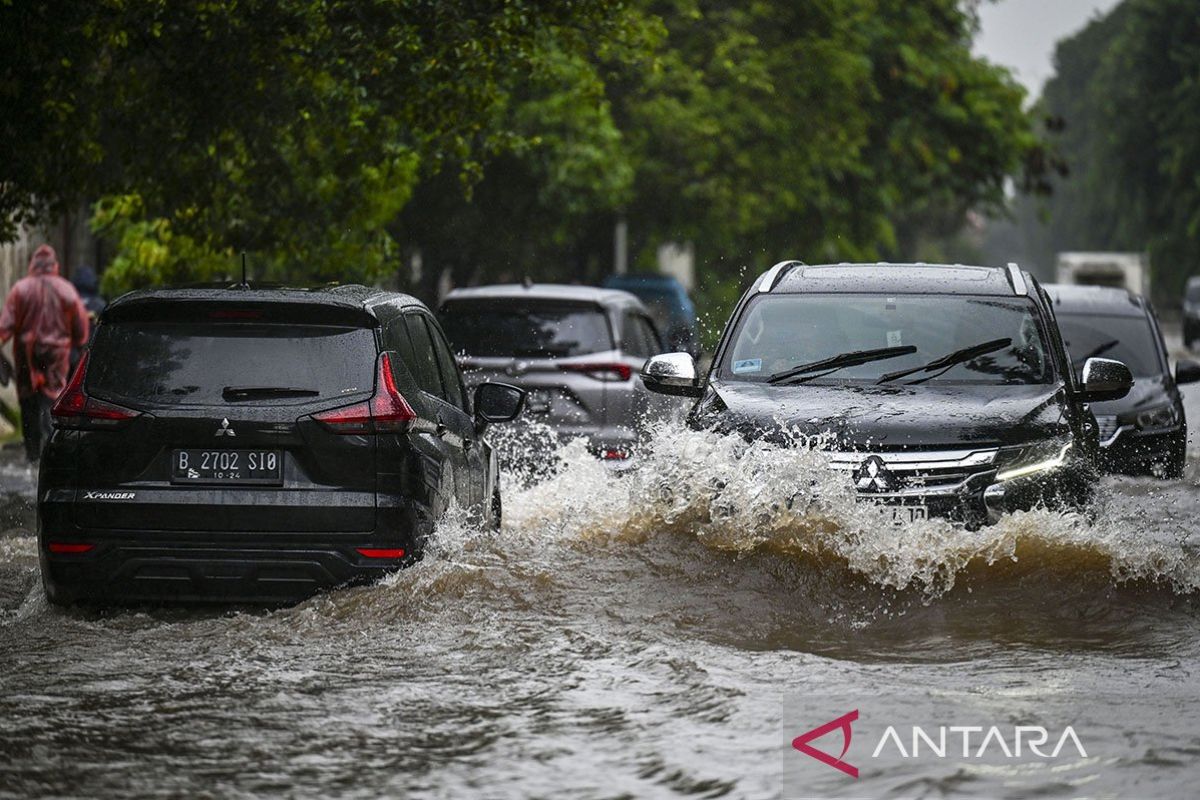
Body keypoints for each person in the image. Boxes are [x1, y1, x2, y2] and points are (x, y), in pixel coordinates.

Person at [0, 245, 90, 462]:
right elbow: (81, 334)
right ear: (55, 265)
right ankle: (50, 459)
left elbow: (4, 329)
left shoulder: (20, 290)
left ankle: (32, 457)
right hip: (55, 359)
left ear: (32, 265)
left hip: (26, 357)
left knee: (28, 405)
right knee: (52, 404)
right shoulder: (67, 291)